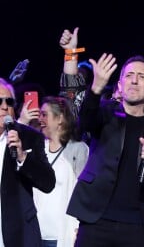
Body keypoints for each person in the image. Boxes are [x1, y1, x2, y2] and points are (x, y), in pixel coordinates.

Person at [67, 53, 144, 247]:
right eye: (128, 75)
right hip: (96, 219)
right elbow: (85, 121)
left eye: (141, 77)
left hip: (136, 224)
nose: (134, 81)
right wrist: (96, 88)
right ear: (119, 85)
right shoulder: (105, 112)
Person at [0, 77, 56, 246]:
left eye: (9, 102)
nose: (4, 106)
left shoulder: (29, 137)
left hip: (18, 234)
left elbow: (48, 182)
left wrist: (23, 157)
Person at [32, 96, 89, 247]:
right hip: (35, 233)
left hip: (61, 233)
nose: (40, 119)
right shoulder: (37, 147)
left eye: (44, 114)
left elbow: (82, 192)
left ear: (60, 118)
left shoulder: (77, 149)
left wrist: (79, 227)